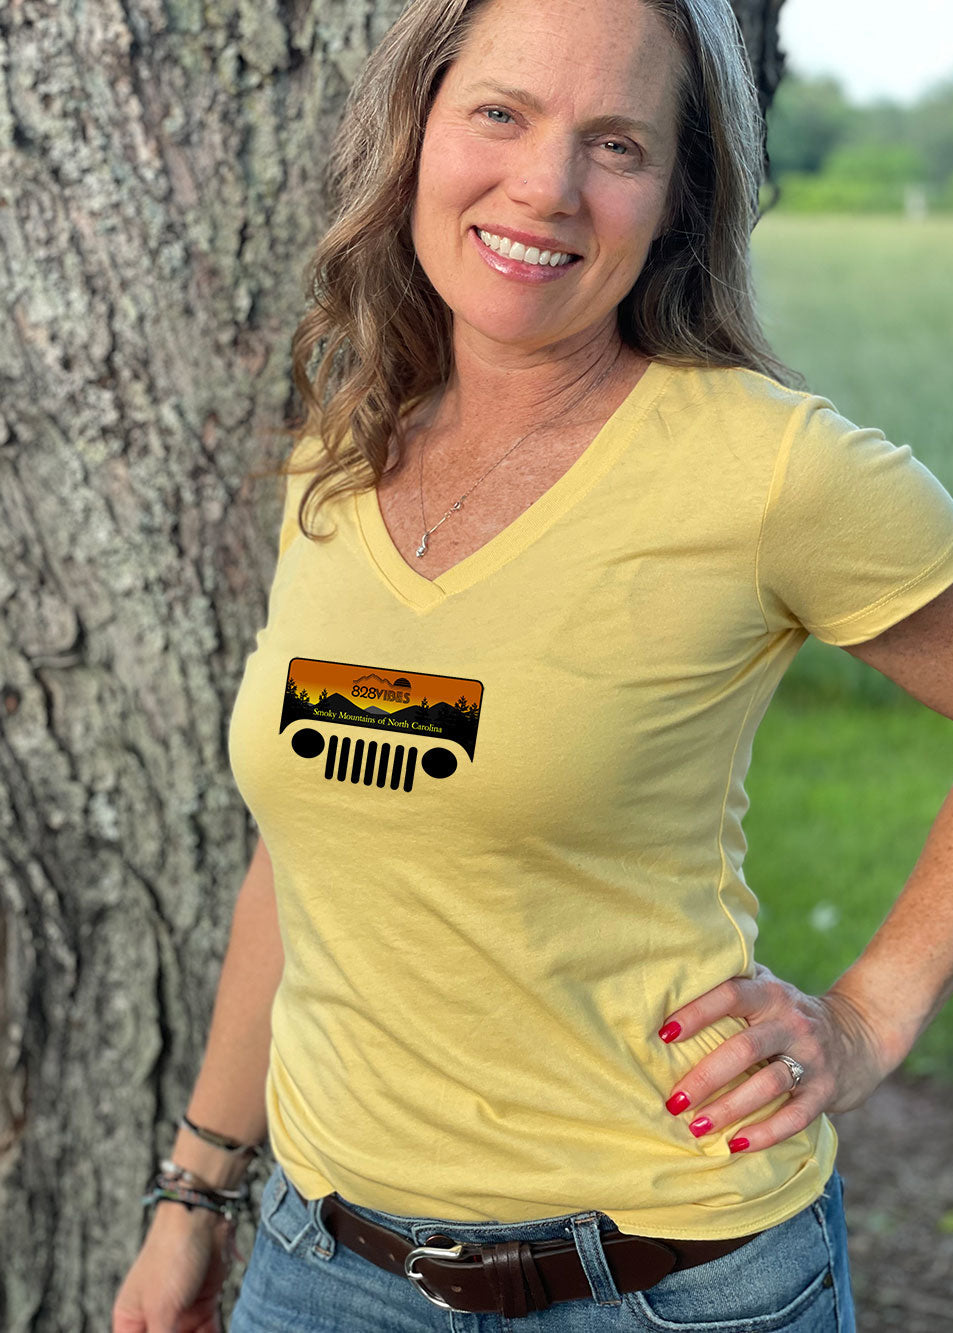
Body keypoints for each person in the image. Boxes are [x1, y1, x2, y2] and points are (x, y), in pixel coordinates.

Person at [112, 0, 953, 1328]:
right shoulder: (340, 461)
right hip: (317, 1268)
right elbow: (312, 851)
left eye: (614, 143)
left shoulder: (770, 469)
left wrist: (870, 1007)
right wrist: (196, 1191)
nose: (544, 185)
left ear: (675, 194)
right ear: (418, 128)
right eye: (499, 113)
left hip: (665, 1281)